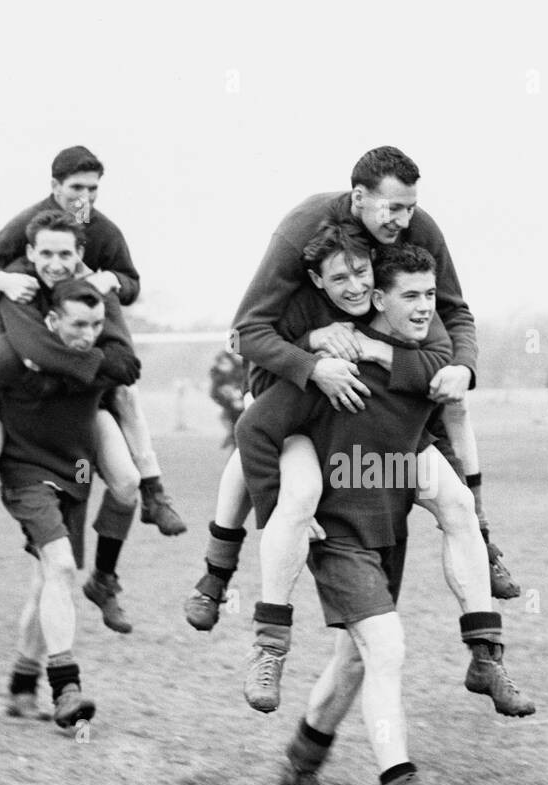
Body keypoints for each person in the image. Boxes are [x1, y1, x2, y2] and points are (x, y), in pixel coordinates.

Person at [186, 146, 520, 629]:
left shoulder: (417, 226)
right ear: (358, 196)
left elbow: (453, 310)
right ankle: (216, 573)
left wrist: (464, 366)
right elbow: (244, 332)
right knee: (257, 435)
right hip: (296, 371)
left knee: (451, 412)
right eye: (393, 208)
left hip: (375, 380)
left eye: (410, 207)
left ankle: (482, 542)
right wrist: (310, 359)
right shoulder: (302, 227)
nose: (404, 221)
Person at [231, 223, 533, 718]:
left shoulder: (414, 317)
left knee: (454, 506)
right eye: (339, 277)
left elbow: (440, 359)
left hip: (393, 459)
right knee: (296, 497)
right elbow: (254, 385)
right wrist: (310, 352)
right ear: (317, 279)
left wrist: (391, 353)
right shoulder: (303, 312)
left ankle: (485, 654)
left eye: (427, 294)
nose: (350, 285)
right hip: (316, 448)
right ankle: (254, 624)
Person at [243, 244, 481, 785]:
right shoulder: (329, 363)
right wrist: (281, 513)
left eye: (431, 296)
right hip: (338, 532)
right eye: (412, 296)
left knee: (358, 656)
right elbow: (255, 425)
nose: (426, 306)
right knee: (385, 645)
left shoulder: (422, 360)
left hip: (386, 524)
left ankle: (300, 767)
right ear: (378, 298)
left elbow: (441, 416)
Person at [0, 210, 147, 634]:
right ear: (30, 253)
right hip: (1, 389)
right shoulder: (18, 287)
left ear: (80, 253)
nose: (55, 263)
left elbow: (126, 362)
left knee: (127, 480)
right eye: (45, 253)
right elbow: (31, 351)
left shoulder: (93, 290)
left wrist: (98, 361)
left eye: (65, 253)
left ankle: (106, 576)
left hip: (75, 406)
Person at [0, 144, 186, 535]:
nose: (85, 198)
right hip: (15, 328)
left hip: (73, 330)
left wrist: (112, 279)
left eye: (93, 189)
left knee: (124, 391)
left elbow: (131, 283)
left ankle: (153, 490)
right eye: (76, 188)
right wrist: (2, 280)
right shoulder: (28, 222)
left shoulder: (104, 230)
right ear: (54, 185)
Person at [0, 279, 126, 728]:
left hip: (73, 480)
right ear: (51, 321)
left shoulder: (100, 361)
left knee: (47, 582)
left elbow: (127, 369)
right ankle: (67, 687)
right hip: (27, 479)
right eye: (78, 324)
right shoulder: (12, 356)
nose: (88, 334)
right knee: (61, 567)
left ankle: (22, 688)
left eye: (96, 324)